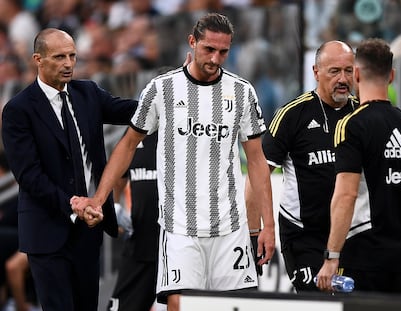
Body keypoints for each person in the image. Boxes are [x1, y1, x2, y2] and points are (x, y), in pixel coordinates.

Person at [72, 12, 275, 311]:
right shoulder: (162, 89)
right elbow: (128, 144)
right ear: (192, 43)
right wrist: (100, 199)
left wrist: (268, 226)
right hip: (179, 228)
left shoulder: (242, 92)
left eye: (224, 51)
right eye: (209, 49)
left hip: (231, 229)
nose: (216, 58)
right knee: (179, 305)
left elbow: (257, 161)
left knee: (236, 306)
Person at [1, 28, 138, 311]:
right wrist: (72, 204)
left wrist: (173, 91)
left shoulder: (87, 92)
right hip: (47, 230)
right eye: (59, 57)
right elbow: (28, 176)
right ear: (38, 59)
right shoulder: (18, 109)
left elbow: (132, 111)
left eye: (72, 56)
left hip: (89, 227)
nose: (68, 64)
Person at [247, 40, 357, 292]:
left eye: (348, 71)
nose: (343, 79)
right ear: (316, 72)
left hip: (350, 235)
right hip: (303, 234)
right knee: (317, 301)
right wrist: (256, 232)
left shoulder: (360, 114)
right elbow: (258, 175)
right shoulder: (292, 114)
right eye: (334, 71)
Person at [316, 38, 401, 294]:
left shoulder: (351, 125)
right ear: (391, 76)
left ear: (356, 74)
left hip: (364, 258)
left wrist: (332, 256)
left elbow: (346, 195)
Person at [107, 132, 159, 311]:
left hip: (177, 247)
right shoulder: (135, 132)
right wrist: (115, 208)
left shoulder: (183, 128)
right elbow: (117, 177)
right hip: (139, 244)